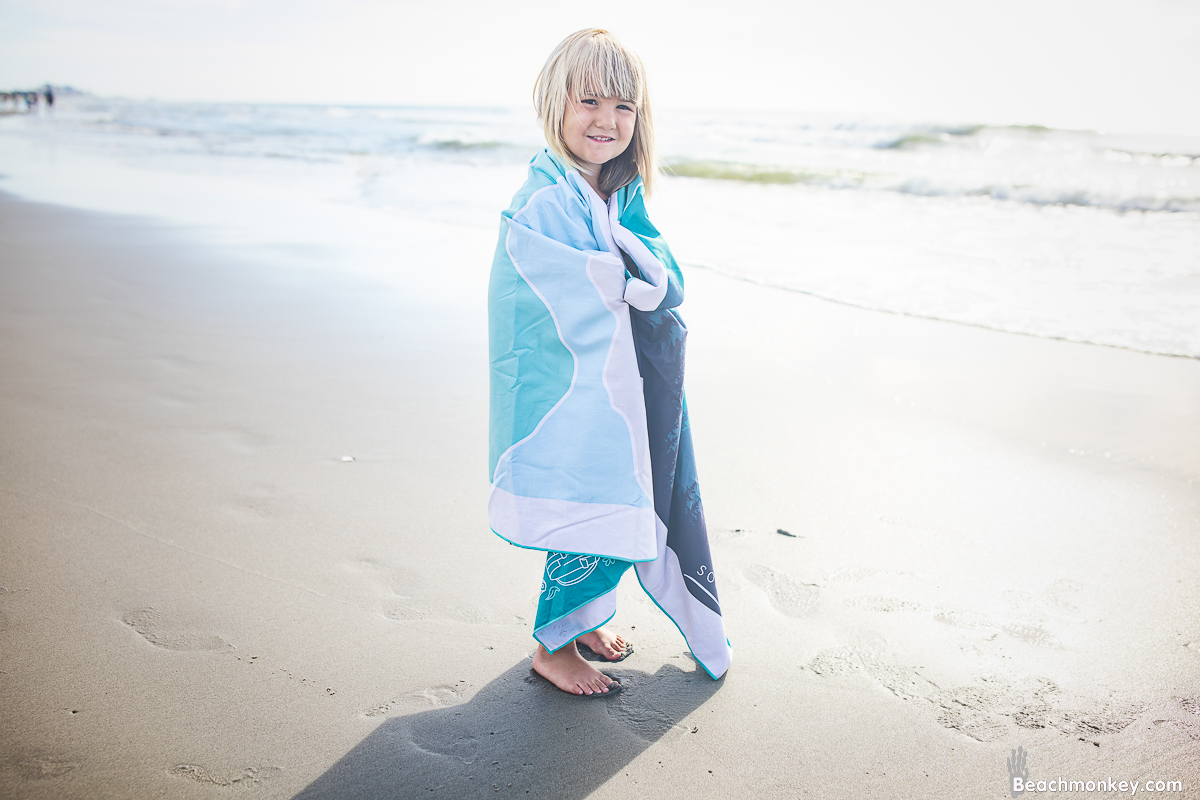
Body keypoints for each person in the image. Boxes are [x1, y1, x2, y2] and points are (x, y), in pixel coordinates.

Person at [488, 29, 732, 697]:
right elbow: (540, 285)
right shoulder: (543, 200)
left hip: (622, 383)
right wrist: (618, 283)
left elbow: (653, 261)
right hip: (575, 390)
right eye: (589, 100)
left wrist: (641, 278)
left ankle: (587, 618)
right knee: (592, 496)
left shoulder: (618, 193)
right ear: (555, 105)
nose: (607, 120)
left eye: (624, 106)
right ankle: (553, 644)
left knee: (628, 492)